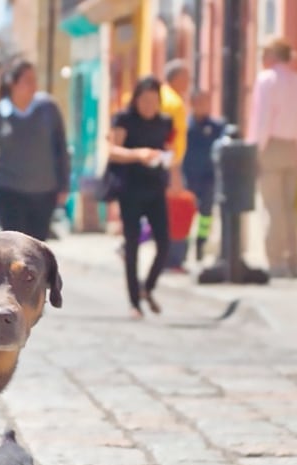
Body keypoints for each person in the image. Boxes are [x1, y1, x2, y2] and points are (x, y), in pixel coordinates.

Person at [0, 58, 69, 242]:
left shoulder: (49, 108)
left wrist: (63, 185)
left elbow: (61, 149)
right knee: (13, 246)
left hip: (43, 192)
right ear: (13, 83)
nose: (34, 86)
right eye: (28, 80)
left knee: (36, 247)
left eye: (35, 80)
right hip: (9, 191)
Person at [107, 76, 174, 319]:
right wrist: (139, 154)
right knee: (132, 245)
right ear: (136, 100)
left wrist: (167, 160)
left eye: (154, 101)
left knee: (165, 243)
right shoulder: (124, 119)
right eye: (145, 100)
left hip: (155, 187)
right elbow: (113, 151)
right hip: (130, 188)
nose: (149, 106)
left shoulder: (164, 122)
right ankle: (134, 302)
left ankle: (148, 286)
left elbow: (168, 148)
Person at [249, 35, 297, 279]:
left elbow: (262, 118)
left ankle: (276, 261)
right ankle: (292, 261)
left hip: (271, 147)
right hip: (293, 148)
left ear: (272, 56)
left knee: (274, 207)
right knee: (291, 208)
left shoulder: (267, 80)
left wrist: (255, 149)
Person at [182, 90, 226, 262]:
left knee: (206, 215)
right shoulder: (186, 126)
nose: (203, 106)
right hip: (189, 176)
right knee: (186, 214)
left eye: (206, 102)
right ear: (192, 104)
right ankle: (183, 248)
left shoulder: (217, 126)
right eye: (199, 102)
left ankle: (201, 244)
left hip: (209, 177)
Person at [159, 60, 193, 272]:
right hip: (170, 164)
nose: (189, 82)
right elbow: (169, 138)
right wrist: (174, 170)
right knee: (176, 213)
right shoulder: (173, 102)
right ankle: (173, 260)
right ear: (176, 78)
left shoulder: (163, 96)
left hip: (163, 162)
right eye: (186, 78)